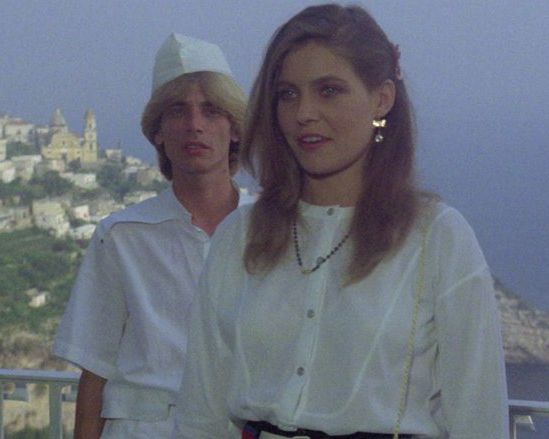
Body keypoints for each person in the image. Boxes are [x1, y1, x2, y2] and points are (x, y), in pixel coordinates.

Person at [173, 4, 509, 439]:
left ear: (382, 99)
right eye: (287, 94)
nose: (304, 113)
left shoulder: (437, 238)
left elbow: (479, 418)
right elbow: (201, 413)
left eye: (328, 90)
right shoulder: (239, 237)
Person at [53, 33, 246, 438]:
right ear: (158, 132)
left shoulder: (273, 230)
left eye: (211, 111)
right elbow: (95, 373)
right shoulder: (121, 237)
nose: (194, 125)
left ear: (234, 128)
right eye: (178, 111)